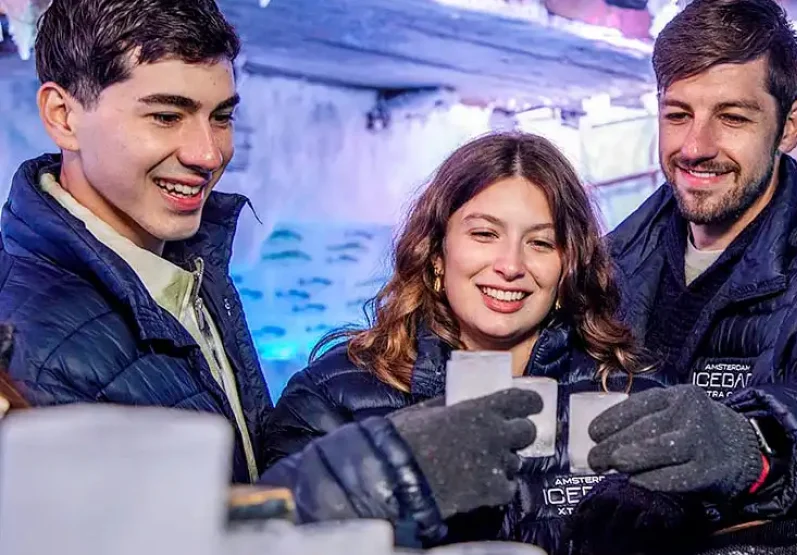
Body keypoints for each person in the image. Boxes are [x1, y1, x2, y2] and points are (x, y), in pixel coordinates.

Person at [0, 0, 544, 542]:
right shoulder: (26, 338)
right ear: (63, 116)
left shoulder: (184, 267)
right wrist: (332, 486)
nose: (208, 153)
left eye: (221, 116)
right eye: (166, 115)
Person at [263, 131, 664, 553]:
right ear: (436, 253)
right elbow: (272, 538)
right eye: (484, 234)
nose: (510, 265)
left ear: (568, 267)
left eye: (540, 242)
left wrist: (684, 505)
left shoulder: (629, 393)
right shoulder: (333, 395)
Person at [588, 0, 797, 533]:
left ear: (789, 126)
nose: (696, 147)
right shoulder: (607, 261)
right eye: (677, 115)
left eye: (733, 117)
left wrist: (751, 445)